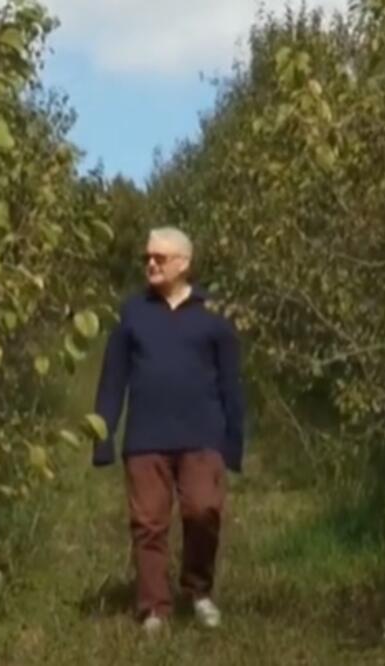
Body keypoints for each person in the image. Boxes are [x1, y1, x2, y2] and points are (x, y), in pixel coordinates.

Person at [91, 226, 246, 635]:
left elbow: (232, 382)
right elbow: (112, 378)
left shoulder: (214, 313)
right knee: (149, 524)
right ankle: (154, 608)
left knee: (203, 511)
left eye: (160, 257)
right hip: (146, 438)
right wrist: (103, 434)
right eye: (147, 257)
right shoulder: (132, 312)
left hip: (203, 436)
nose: (151, 264)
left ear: (184, 263)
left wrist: (235, 441)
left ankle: (198, 591)